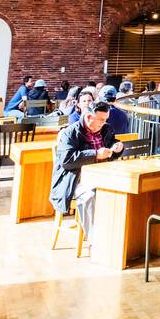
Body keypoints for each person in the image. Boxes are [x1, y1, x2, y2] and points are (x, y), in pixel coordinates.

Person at [50, 101, 124, 241]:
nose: (103, 123)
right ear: (89, 117)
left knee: (123, 190)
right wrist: (95, 154)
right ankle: (95, 241)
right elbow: (67, 160)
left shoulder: (106, 129)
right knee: (90, 195)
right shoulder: (70, 133)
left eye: (105, 120)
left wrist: (116, 147)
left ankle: (116, 238)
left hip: (102, 175)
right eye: (101, 120)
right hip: (74, 180)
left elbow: (111, 145)